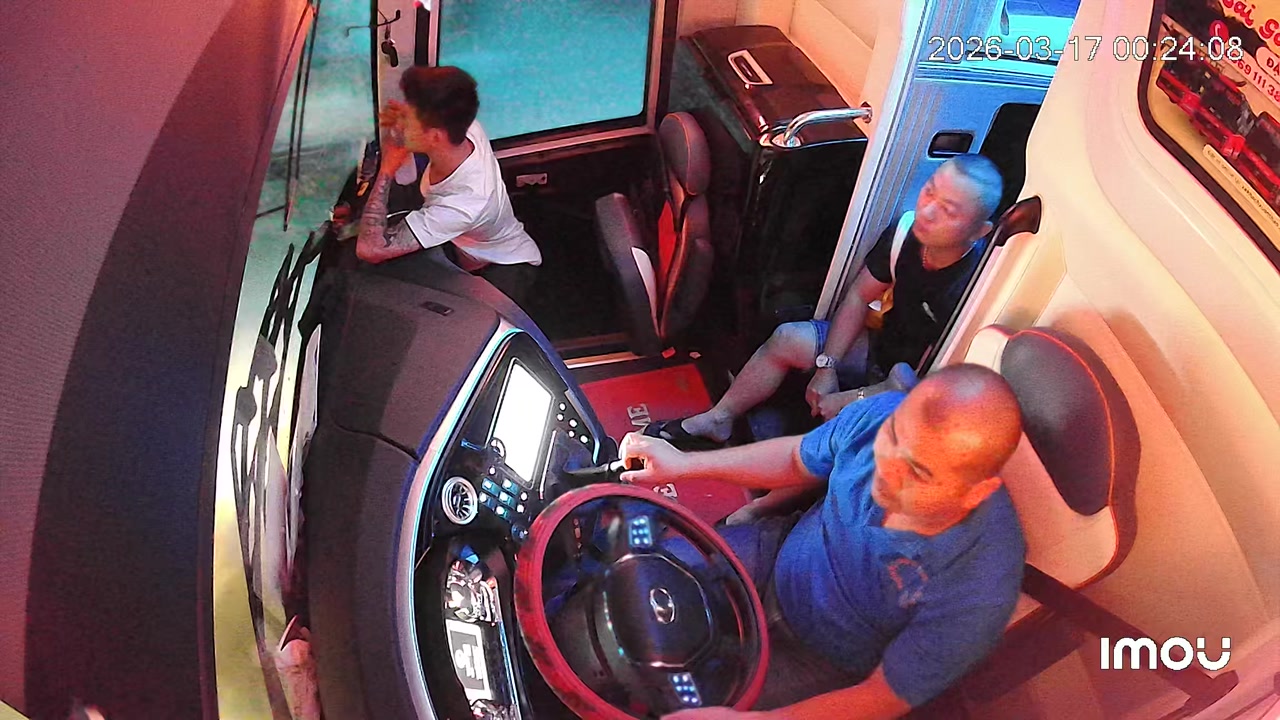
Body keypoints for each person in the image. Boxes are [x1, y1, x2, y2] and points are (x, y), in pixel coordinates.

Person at [620, 364, 1026, 719]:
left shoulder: (980, 588)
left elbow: (883, 696)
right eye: (893, 436)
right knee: (634, 579)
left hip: (821, 659)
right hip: (777, 554)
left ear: (975, 493)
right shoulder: (881, 414)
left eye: (918, 472)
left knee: (675, 707)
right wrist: (685, 464)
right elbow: (796, 458)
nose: (885, 469)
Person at [646, 155, 1003, 446]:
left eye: (949, 211)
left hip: (913, 389)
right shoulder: (905, 233)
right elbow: (859, 296)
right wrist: (826, 367)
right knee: (788, 338)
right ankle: (719, 419)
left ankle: (780, 496)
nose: (927, 212)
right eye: (929, 192)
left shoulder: (976, 288)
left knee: (843, 428)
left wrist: (852, 399)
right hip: (879, 349)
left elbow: (931, 384)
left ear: (979, 231)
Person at [353, 66, 542, 304]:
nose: (400, 124)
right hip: (467, 249)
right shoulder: (464, 129)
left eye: (407, 119)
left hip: (505, 267)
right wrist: (408, 115)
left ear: (434, 136)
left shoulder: (463, 205)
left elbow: (370, 250)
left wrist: (387, 167)